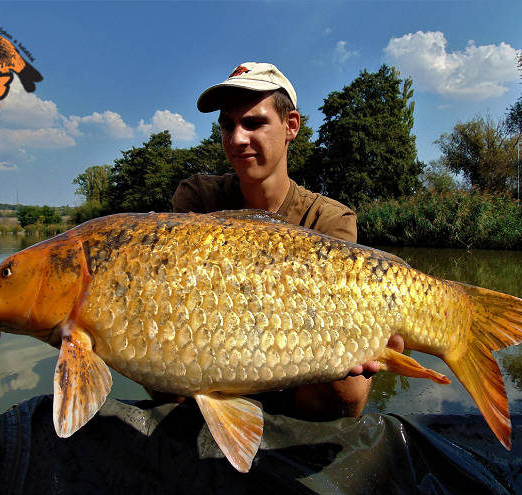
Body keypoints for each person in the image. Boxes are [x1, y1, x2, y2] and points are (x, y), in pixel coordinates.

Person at [171, 62, 404, 419]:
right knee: (150, 342)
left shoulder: (329, 219)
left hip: (296, 377)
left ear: (291, 125)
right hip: (209, 356)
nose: (236, 139)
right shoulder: (197, 198)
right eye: (227, 125)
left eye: (253, 123)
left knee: (351, 385)